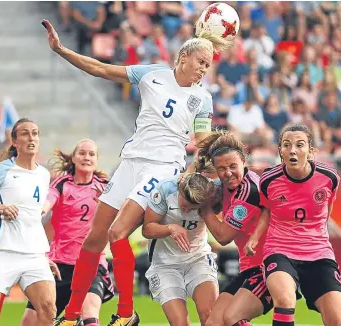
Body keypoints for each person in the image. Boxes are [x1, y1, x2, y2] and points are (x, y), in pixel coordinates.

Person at [43, 14, 233, 325]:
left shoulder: (202, 99)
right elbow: (102, 69)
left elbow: (201, 139)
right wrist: (62, 50)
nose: (202, 69)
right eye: (200, 61)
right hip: (131, 161)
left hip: (163, 168)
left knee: (118, 232)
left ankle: (126, 314)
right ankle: (71, 315)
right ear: (184, 56)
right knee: (94, 239)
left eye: (207, 66)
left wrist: (224, 139)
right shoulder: (152, 75)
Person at [245, 124, 341, 326]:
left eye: (299, 145)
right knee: (284, 300)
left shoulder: (329, 177)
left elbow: (327, 208)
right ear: (280, 151)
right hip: (280, 250)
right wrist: (255, 237)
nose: (292, 150)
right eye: (286, 145)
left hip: (318, 253)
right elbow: (267, 209)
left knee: (339, 321)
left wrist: (317, 235)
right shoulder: (268, 179)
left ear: (311, 150)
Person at [0, 118, 57, 326]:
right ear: (14, 141)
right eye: (25, 133)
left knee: (48, 309)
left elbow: (31, 217)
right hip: (2, 253)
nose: (31, 137)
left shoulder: (43, 174)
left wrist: (44, 257)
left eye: (35, 133)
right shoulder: (1, 170)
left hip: (34, 255)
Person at [21, 139, 115, 326]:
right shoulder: (62, 184)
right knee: (29, 323)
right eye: (82, 153)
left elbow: (124, 213)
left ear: (96, 160)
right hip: (59, 266)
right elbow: (47, 202)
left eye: (91, 154)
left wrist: (109, 207)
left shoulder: (106, 187)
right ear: (73, 158)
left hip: (92, 264)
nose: (86, 157)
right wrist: (37, 211)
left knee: (90, 316)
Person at [190, 131, 273, 326]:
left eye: (233, 166)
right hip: (249, 268)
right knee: (212, 324)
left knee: (232, 319)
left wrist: (204, 206)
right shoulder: (227, 186)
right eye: (221, 168)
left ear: (243, 161)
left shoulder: (248, 190)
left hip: (267, 267)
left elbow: (223, 236)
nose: (228, 173)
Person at [142, 172, 221, 326]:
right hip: (165, 264)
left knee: (210, 316)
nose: (186, 211)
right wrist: (170, 228)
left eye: (192, 209)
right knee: (179, 323)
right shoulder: (165, 190)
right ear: (179, 189)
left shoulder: (214, 195)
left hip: (198, 259)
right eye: (183, 205)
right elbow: (147, 229)